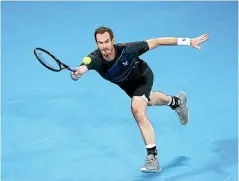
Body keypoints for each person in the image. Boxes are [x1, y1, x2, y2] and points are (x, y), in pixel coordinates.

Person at [71, 26, 209, 173]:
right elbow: (82, 69)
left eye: (107, 41)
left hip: (143, 76)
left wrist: (188, 41)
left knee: (137, 109)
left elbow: (157, 42)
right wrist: (77, 74)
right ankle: (177, 102)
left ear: (113, 40)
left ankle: (152, 158)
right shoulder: (94, 59)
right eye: (100, 43)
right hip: (128, 87)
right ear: (96, 43)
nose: (104, 46)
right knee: (148, 100)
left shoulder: (127, 49)